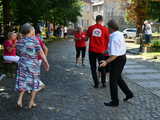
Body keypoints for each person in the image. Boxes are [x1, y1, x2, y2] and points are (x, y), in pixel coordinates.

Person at [100, 20, 134, 107]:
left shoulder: (114, 37)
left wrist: (106, 62)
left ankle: (115, 101)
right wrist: (106, 51)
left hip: (117, 60)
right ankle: (129, 93)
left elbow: (115, 55)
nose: (107, 28)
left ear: (111, 28)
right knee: (118, 78)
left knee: (112, 81)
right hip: (121, 58)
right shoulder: (118, 33)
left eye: (108, 27)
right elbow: (116, 47)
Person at [16, 23, 50, 109]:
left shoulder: (19, 41)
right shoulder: (35, 40)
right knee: (35, 82)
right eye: (33, 29)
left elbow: (18, 52)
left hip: (22, 64)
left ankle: (19, 100)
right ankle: (31, 102)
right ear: (30, 31)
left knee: (23, 81)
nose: (34, 31)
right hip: (33, 65)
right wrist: (46, 62)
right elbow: (41, 52)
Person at [87, 15, 110, 88]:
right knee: (102, 66)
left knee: (93, 67)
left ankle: (96, 83)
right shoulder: (105, 29)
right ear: (102, 20)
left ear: (95, 20)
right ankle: (103, 83)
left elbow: (86, 39)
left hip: (92, 50)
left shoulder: (90, 28)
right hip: (101, 51)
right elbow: (109, 40)